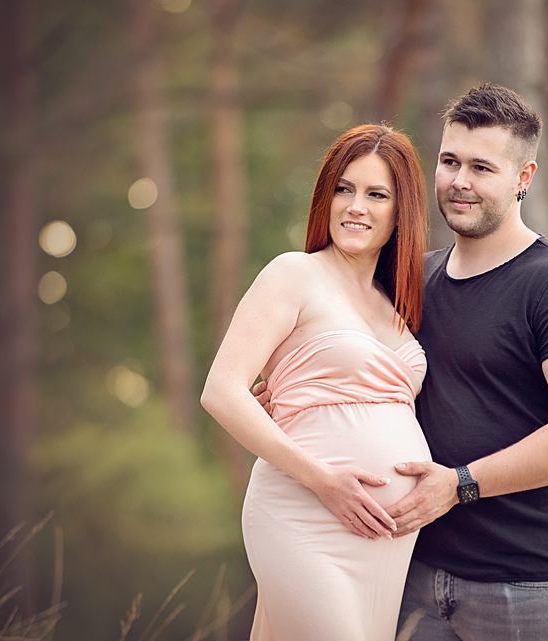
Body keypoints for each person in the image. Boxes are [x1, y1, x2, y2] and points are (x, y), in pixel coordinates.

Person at [384, 84, 548, 640]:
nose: (459, 181)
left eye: (481, 167)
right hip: (417, 570)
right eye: (449, 161)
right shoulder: (413, 279)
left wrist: (460, 484)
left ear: (523, 178)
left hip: (529, 584)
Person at [201, 123, 431, 641]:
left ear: (402, 211)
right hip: (305, 514)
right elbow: (221, 390)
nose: (356, 206)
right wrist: (324, 480)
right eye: (344, 189)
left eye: (376, 194)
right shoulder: (294, 274)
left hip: (383, 538)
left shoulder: (399, 305)